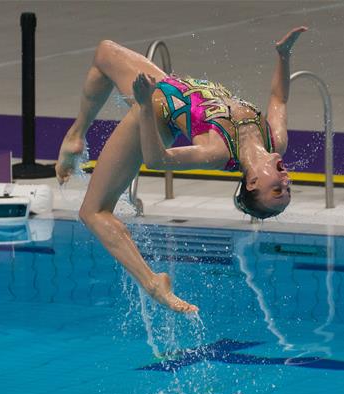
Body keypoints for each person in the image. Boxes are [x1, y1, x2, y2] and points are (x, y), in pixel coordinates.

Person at [56, 28, 307, 312]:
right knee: (104, 52)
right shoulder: (276, 139)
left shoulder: (217, 151)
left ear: (251, 182)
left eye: (276, 189)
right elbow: (279, 98)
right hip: (166, 86)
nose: (285, 180)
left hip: (154, 113)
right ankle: (76, 136)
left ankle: (153, 282)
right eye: (287, 188)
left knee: (93, 211)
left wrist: (144, 105)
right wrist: (283, 56)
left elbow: (157, 160)